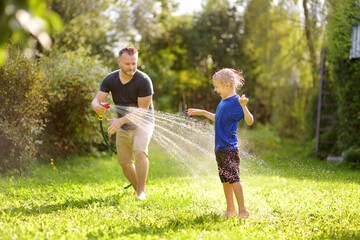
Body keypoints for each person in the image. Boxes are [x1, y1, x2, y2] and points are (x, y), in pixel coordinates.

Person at [187, 68, 254, 219]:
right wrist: (203, 112)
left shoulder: (237, 101)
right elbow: (219, 118)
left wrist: (244, 106)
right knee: (225, 180)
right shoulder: (223, 101)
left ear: (228, 85)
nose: (215, 89)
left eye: (217, 86)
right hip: (220, 148)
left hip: (230, 148)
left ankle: (243, 210)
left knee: (234, 178)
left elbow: (250, 121)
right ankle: (231, 210)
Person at [91, 46, 154, 200]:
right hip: (123, 124)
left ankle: (141, 192)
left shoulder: (144, 80)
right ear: (119, 62)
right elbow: (97, 100)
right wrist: (96, 107)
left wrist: (120, 121)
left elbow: (142, 110)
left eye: (134, 63)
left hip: (143, 122)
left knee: (140, 152)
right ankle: (136, 189)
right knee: (125, 162)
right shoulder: (110, 79)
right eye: (127, 64)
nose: (131, 67)